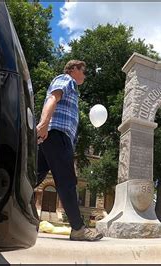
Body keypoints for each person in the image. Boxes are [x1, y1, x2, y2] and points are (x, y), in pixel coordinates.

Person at [36, 60, 102, 241]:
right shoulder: (66, 80)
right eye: (83, 71)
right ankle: (78, 228)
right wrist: (43, 123)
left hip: (50, 137)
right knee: (67, 180)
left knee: (32, 177)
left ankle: (8, 212)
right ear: (73, 69)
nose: (85, 75)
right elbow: (52, 98)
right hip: (57, 134)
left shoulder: (72, 87)